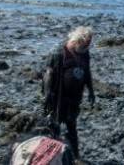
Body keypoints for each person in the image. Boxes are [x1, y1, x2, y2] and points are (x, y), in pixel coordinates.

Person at [43, 25, 96, 157]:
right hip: (58, 95)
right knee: (54, 125)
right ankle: (50, 156)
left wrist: (91, 90)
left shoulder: (84, 53)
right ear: (76, 40)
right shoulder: (59, 52)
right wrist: (48, 93)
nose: (86, 48)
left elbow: (87, 71)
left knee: (71, 125)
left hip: (75, 97)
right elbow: (48, 73)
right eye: (84, 44)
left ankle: (76, 156)